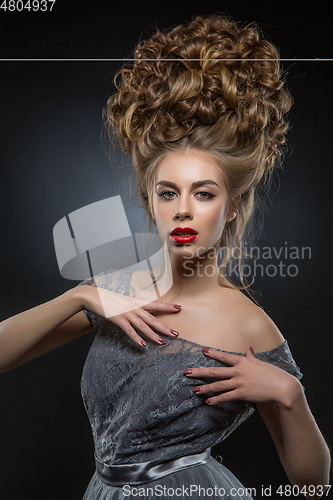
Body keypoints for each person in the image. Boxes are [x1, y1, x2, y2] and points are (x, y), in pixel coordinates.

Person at [0, 14, 330, 500]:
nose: (182, 210)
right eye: (168, 192)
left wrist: (290, 395)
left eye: (204, 194)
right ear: (149, 200)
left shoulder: (250, 327)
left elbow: (314, 488)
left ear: (233, 204)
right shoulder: (115, 293)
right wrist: (82, 295)